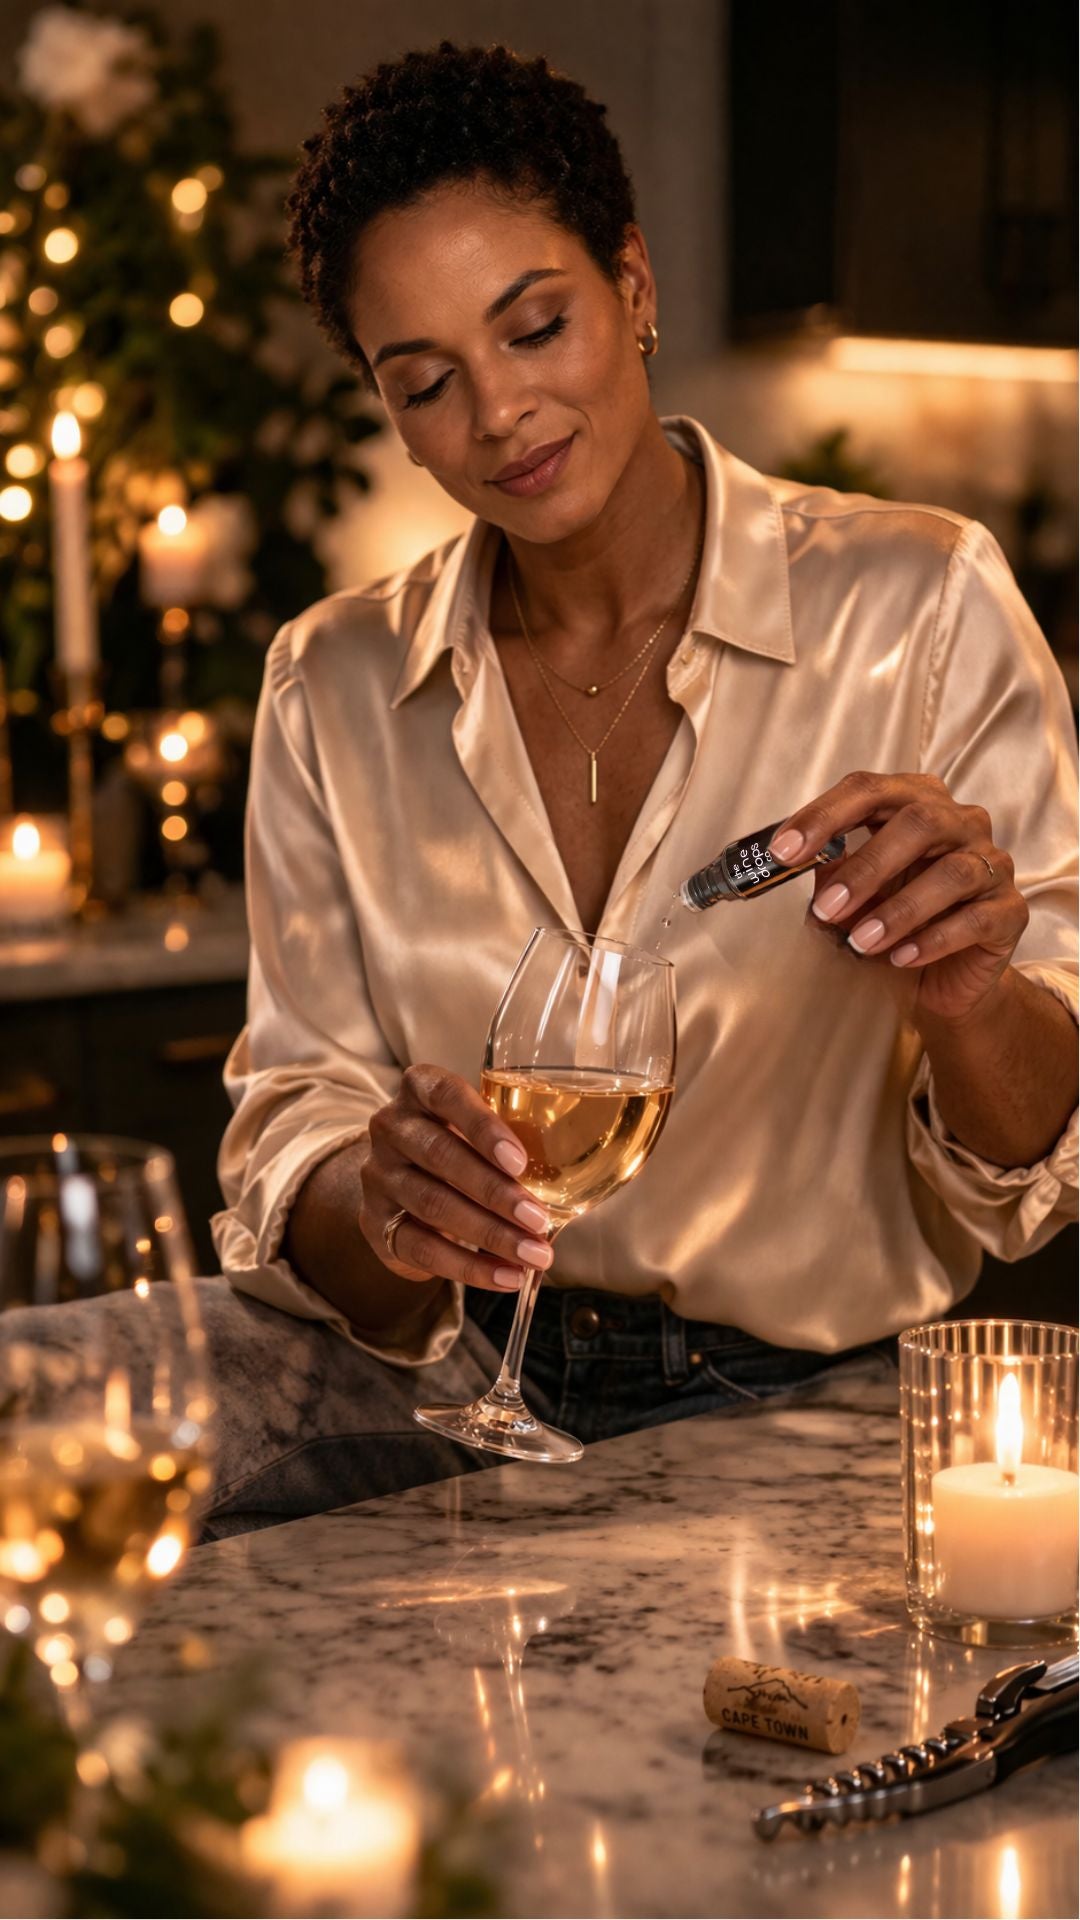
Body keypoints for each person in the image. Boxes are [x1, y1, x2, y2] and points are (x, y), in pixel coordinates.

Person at [8, 43, 1078, 1539]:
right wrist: (380, 1209)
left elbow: (1029, 1183)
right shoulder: (332, 682)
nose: (499, 412)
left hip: (807, 1418)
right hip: (440, 1407)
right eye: (427, 381)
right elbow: (290, 1133)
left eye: (535, 326)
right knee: (35, 1396)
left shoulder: (921, 600)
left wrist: (973, 991)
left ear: (631, 285)